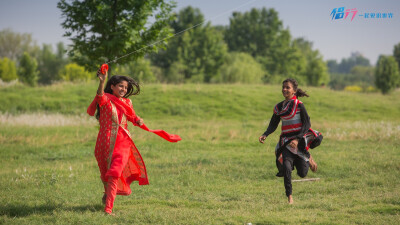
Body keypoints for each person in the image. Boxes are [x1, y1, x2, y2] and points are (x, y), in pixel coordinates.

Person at [87, 67, 181, 215]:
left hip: (122, 142)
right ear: (112, 87)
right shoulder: (105, 99)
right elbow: (99, 95)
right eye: (120, 86)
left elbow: (132, 117)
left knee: (115, 172)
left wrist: (138, 120)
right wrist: (101, 81)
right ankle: (108, 193)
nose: (124, 89)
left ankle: (108, 209)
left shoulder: (128, 103)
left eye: (126, 87)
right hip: (104, 142)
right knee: (105, 173)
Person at [258, 78, 322, 204]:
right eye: (283, 87)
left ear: (294, 91)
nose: (284, 89)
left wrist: (298, 140)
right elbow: (273, 124)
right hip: (286, 142)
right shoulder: (279, 107)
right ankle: (290, 198)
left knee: (303, 173)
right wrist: (265, 134)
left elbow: (307, 124)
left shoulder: (299, 105)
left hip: (299, 142)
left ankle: (307, 157)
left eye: (288, 87)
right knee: (287, 167)